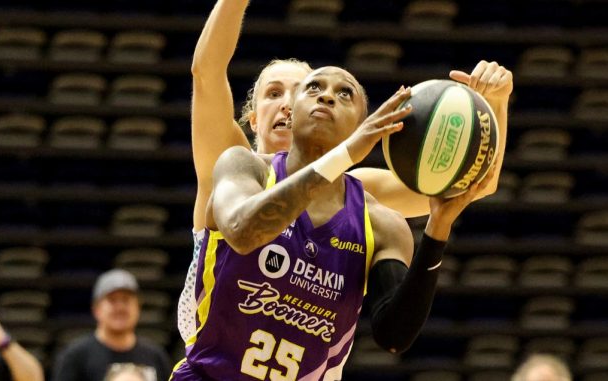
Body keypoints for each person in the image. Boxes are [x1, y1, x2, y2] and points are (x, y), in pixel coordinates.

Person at [178, 0, 513, 343]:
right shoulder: (233, 162)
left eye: (298, 91)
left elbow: (470, 185)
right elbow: (207, 73)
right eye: (273, 93)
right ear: (252, 119)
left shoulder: (357, 194)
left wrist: (494, 105)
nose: (287, 103)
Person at [171, 65, 493, 380]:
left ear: (360, 126)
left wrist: (437, 228)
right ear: (290, 113)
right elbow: (243, 232)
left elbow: (394, 336)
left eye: (344, 93)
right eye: (313, 88)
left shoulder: (381, 225)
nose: (326, 96)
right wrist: (346, 155)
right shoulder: (245, 167)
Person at [52, 269, 171, 381]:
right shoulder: (76, 357)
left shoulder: (156, 357)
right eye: (112, 300)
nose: (120, 308)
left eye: (126, 300)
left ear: (138, 307)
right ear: (96, 309)